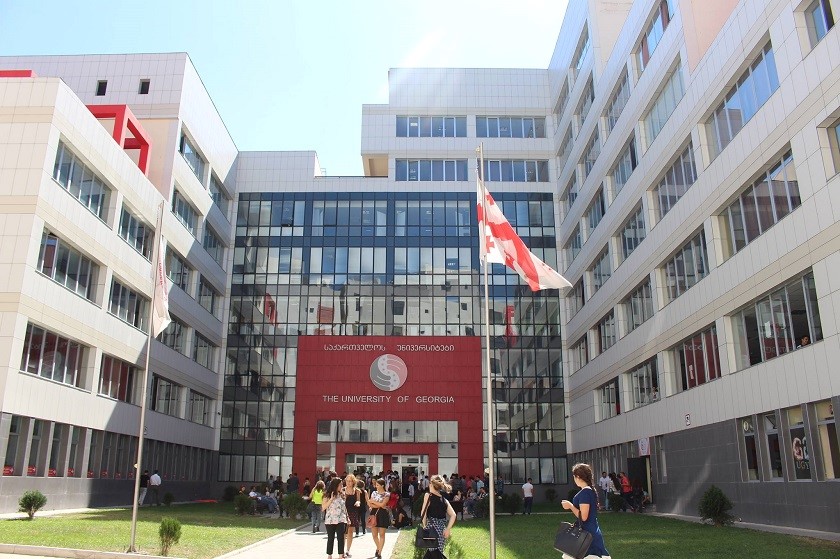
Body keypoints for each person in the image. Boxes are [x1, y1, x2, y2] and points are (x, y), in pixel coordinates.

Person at [561, 463, 611, 559]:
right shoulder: (590, 491)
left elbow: (583, 517)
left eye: (574, 476)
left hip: (586, 533)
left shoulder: (585, 493)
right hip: (590, 530)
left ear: (578, 476)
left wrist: (570, 506)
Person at [421, 475, 456, 555]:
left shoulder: (428, 496)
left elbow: (423, 512)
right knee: (438, 553)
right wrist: (448, 529)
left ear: (431, 484)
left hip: (431, 529)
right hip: (441, 530)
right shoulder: (445, 500)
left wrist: (424, 525)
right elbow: (453, 515)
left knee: (432, 553)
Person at [322, 477, 349, 559]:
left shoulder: (342, 494)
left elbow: (344, 507)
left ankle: (341, 555)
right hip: (330, 520)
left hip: (341, 519)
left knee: (341, 538)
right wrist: (331, 499)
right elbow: (323, 507)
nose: (342, 486)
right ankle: (329, 555)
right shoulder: (327, 494)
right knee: (331, 538)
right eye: (340, 485)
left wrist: (347, 517)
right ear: (335, 485)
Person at [367, 478, 390, 559]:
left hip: (383, 514)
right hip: (374, 514)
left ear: (382, 485)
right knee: (374, 535)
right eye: (375, 485)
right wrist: (379, 505)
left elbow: (383, 504)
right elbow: (370, 504)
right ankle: (378, 547)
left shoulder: (387, 494)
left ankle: (379, 552)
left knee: (382, 534)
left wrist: (374, 502)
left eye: (377, 485)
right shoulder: (374, 493)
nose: (376, 486)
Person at [343, 474, 362, 558]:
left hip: (353, 512)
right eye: (347, 481)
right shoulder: (342, 490)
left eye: (350, 481)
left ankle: (348, 550)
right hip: (344, 513)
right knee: (343, 532)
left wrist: (358, 503)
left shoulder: (356, 491)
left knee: (350, 532)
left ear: (353, 482)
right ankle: (342, 551)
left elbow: (358, 500)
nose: (348, 483)